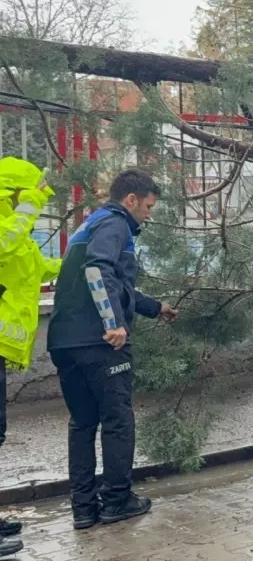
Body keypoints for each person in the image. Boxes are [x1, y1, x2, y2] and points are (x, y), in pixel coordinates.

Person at [48, 169, 178, 530]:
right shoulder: (116, 224)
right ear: (131, 200)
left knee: (82, 424)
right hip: (101, 343)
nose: (149, 214)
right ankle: (117, 501)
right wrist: (113, 324)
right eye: (148, 206)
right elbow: (98, 271)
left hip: (65, 342)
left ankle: (84, 509)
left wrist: (155, 308)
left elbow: (112, 282)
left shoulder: (88, 226)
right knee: (117, 421)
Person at [0, 157, 61, 557]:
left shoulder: (15, 230)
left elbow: (37, 269)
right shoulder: (9, 226)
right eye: (32, 193)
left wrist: (76, 262)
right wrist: (29, 206)